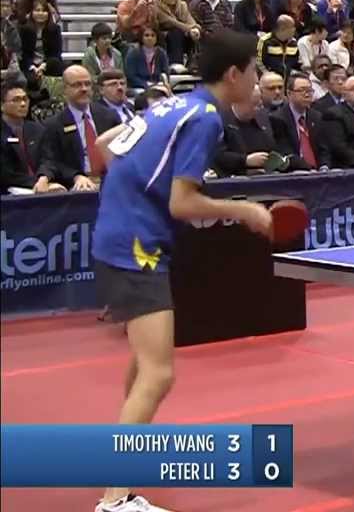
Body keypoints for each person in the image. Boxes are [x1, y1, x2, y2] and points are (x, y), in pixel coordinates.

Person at [90, 33, 273, 512]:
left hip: (120, 235)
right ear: (233, 74)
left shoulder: (172, 105)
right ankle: (114, 499)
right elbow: (182, 203)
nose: (256, 81)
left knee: (142, 366)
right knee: (159, 373)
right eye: (253, 71)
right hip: (136, 247)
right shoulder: (206, 118)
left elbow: (104, 147)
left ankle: (123, 463)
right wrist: (242, 210)